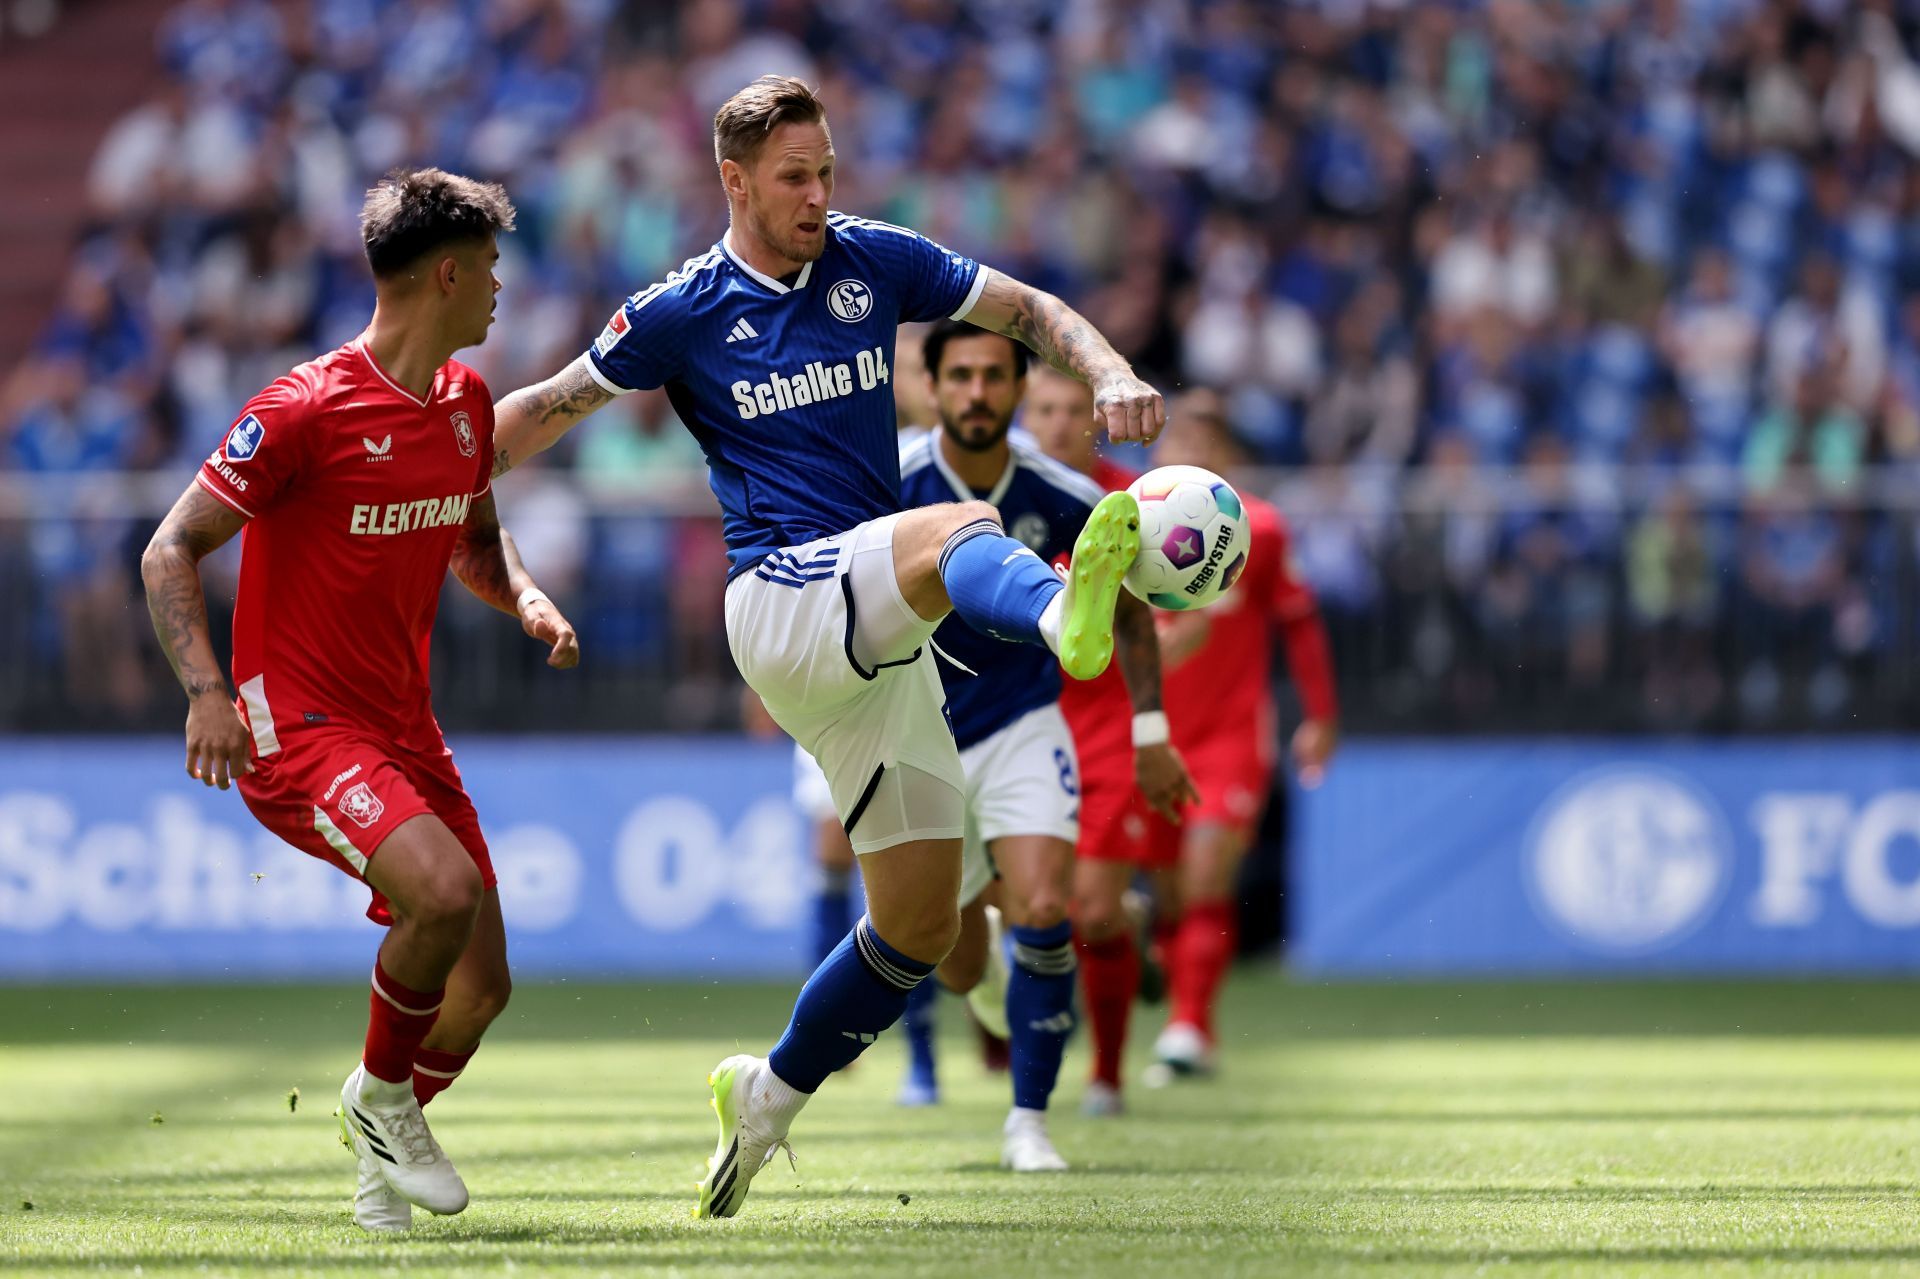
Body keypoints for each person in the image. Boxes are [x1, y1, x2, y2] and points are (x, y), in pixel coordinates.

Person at [490, 75, 1164, 1218]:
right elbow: (540, 411)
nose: (817, 195)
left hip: (877, 642)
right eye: (794, 178)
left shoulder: (873, 261)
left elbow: (1030, 308)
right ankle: (1061, 619)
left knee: (919, 925)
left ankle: (767, 1096)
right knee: (958, 522)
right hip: (780, 598)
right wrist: (408, 484)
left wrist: (1106, 370)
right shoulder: (681, 308)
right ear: (734, 181)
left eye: (828, 172)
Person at [138, 169, 580, 1233]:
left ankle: (378, 1150)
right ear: (444, 274)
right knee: (442, 890)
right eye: (489, 268)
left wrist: (518, 593)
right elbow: (170, 549)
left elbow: (472, 543)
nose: (500, 288)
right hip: (296, 724)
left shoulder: (467, 405)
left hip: (402, 723)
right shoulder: (302, 409)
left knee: (480, 990)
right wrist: (205, 691)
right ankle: (380, 1100)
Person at [897, 321, 1191, 1166]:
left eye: (995, 375)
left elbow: (1131, 611)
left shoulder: (1058, 490)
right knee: (945, 956)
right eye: (962, 377)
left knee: (1045, 908)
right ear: (936, 386)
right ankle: (986, 984)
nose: (979, 392)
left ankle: (1030, 1122)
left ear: (1018, 390)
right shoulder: (893, 483)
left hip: (1027, 724)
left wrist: (1150, 730)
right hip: (921, 733)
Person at [1143, 390, 1339, 1080]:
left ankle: (1188, 1026)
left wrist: (1320, 714)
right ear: (1160, 452)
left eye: (1206, 443)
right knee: (1165, 895)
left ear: (1226, 456)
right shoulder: (1128, 527)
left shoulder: (1258, 528)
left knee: (1203, 877)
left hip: (1230, 733)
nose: (1191, 454)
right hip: (1151, 733)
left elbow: (1301, 622)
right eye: (1179, 442)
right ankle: (1182, 1004)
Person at [1024, 366, 1181, 1116]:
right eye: (1043, 410)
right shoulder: (998, 491)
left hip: (1108, 727)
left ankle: (1107, 1078)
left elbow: (1147, 619)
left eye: (1070, 411)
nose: (1057, 425)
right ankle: (1130, 921)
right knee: (1020, 906)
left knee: (1087, 910)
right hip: (1016, 723)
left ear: (1094, 420)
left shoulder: (1133, 505)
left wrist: (1154, 731)